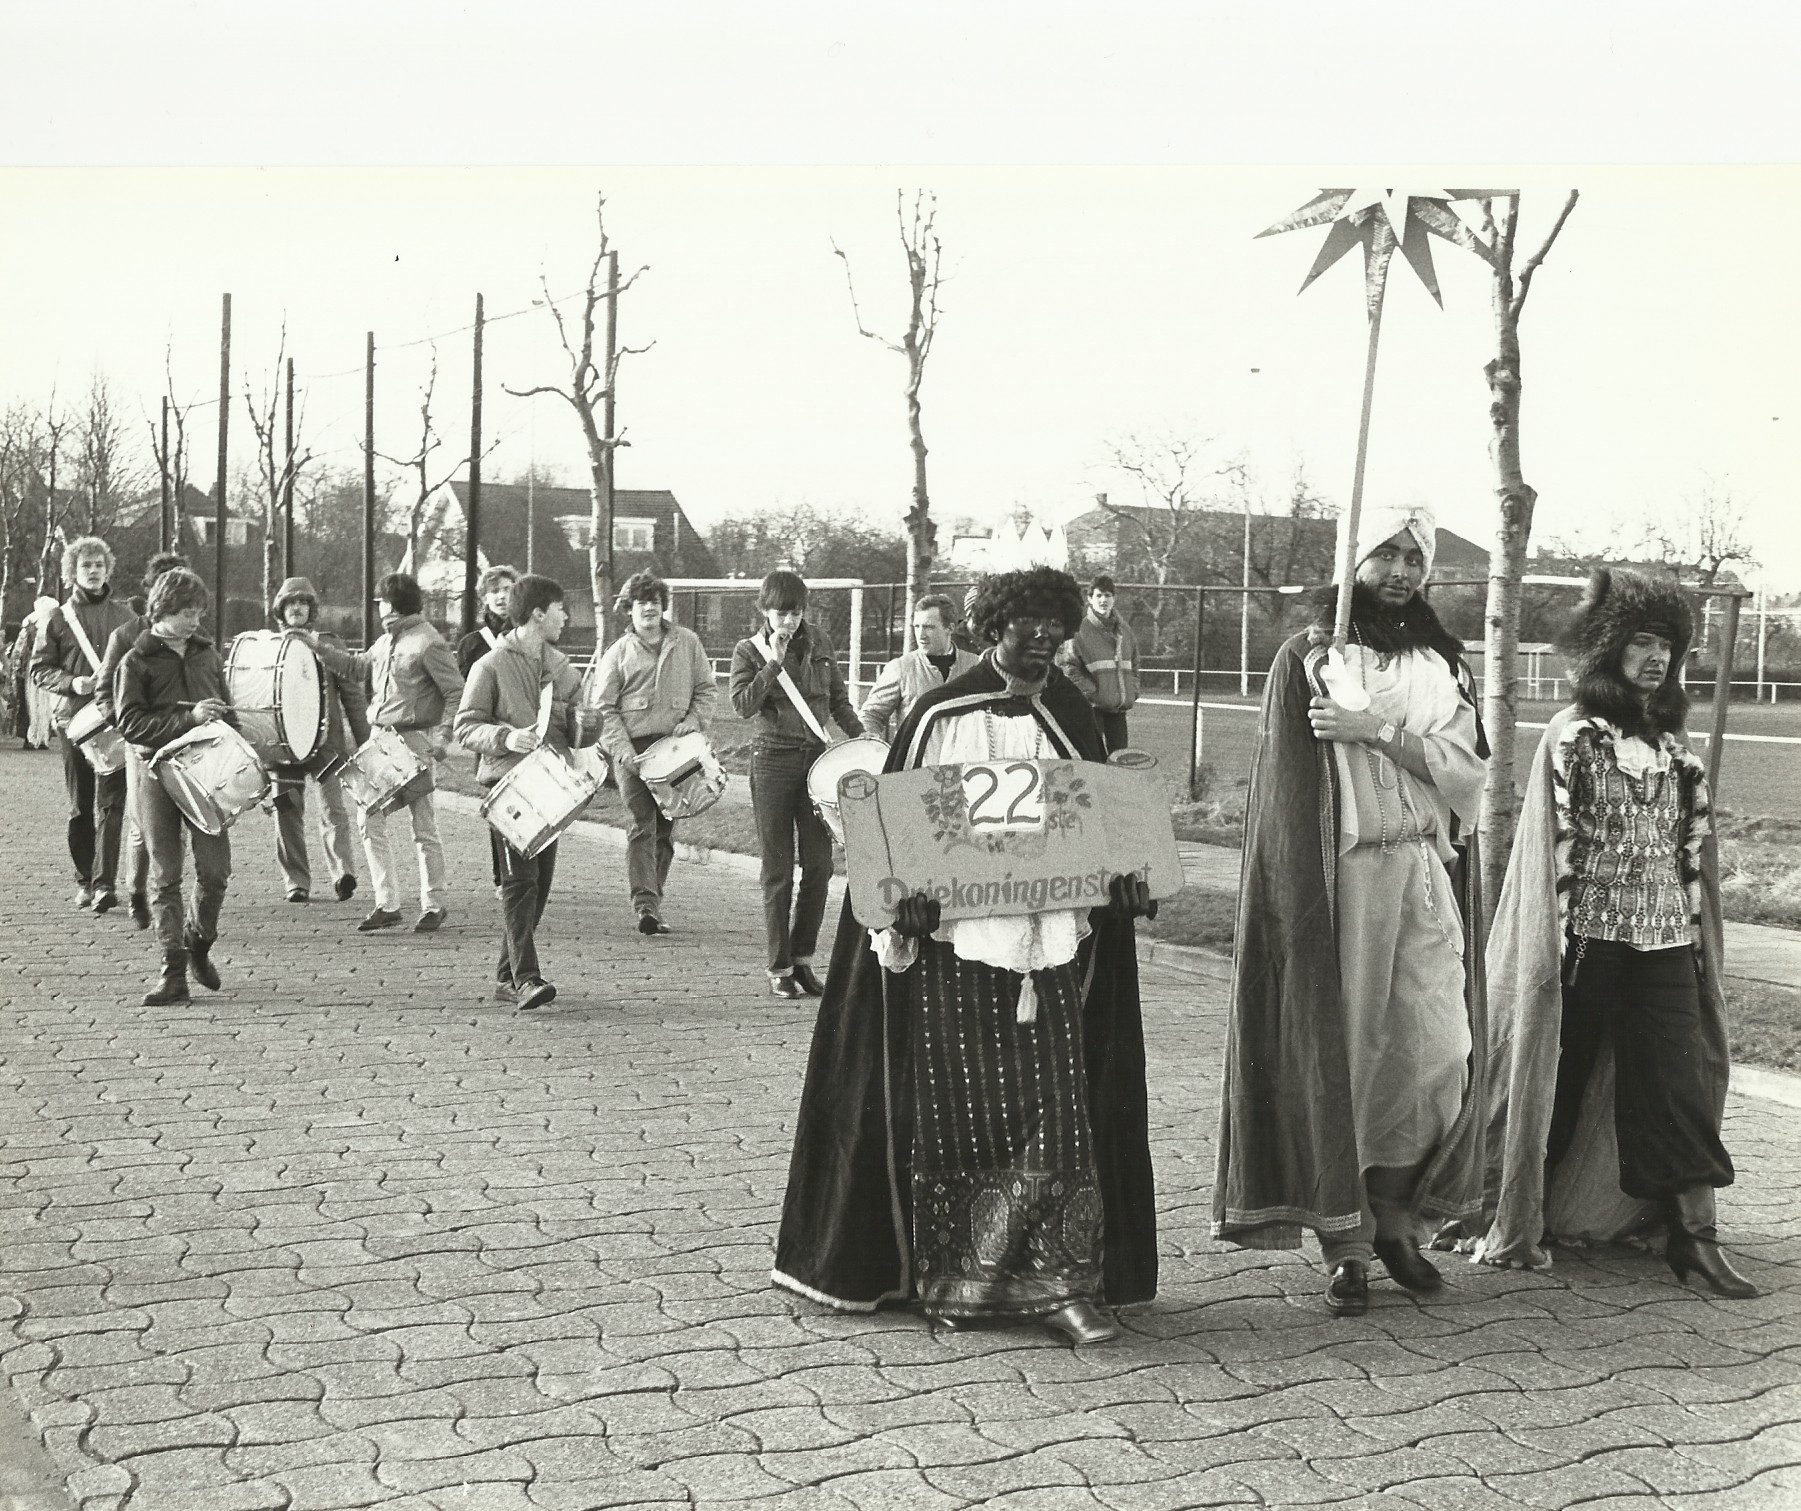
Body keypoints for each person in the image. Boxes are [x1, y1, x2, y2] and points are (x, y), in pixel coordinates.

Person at [772, 566, 1159, 1343]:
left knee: (1056, 1106)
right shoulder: (936, 714)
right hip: (957, 951)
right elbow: (896, 834)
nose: (1044, 645)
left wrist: (1122, 889)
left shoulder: (1069, 711)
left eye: (1055, 632)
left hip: (1045, 944)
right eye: (1030, 632)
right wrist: (903, 904)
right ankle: (959, 1280)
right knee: (959, 1114)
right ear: (992, 632)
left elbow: (1104, 829)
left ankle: (1059, 1285)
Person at [1213, 503, 1490, 1317]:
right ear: (1354, 558)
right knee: (1351, 1055)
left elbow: (1464, 770)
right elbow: (1288, 791)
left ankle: (1397, 1217)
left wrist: (1374, 729)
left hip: (1419, 867)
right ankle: (1349, 1245)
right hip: (1342, 877)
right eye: (1385, 554)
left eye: (1414, 556)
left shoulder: (1443, 664)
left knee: (1437, 1053)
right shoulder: (1310, 656)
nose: (1400, 571)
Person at [1468, 568, 1755, 1297]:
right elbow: (1547, 850)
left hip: (1661, 938)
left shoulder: (1671, 741)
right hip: (1585, 938)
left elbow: (1689, 850)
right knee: (1554, 1075)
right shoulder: (1573, 736)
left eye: (1668, 645)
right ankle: (1517, 1208)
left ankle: (1694, 1237)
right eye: (1642, 642)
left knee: (1674, 1082)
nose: (1656, 658)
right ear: (1608, 649)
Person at [454, 574, 600, 1013]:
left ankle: (506, 975)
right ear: (538, 612)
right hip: (509, 788)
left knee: (539, 887)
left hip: (553, 788)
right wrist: (504, 737)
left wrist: (587, 723)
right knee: (520, 883)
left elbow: (581, 730)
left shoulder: (562, 666)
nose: (566, 617)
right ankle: (528, 979)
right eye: (560, 609)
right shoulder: (491, 665)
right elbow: (465, 727)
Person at [729, 570, 864, 998]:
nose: (789, 621)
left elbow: (837, 699)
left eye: (797, 612)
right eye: (781, 613)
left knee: (820, 866)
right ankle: (779, 965)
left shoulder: (820, 642)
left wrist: (861, 737)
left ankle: (804, 958)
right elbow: (743, 706)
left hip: (817, 762)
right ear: (765, 611)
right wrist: (772, 662)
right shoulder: (747, 650)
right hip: (772, 760)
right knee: (778, 869)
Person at [308, 572, 463, 933]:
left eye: (380, 601)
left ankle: (433, 903)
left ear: (391, 605)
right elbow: (358, 666)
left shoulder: (428, 642)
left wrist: (443, 736)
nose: (378, 608)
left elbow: (455, 691)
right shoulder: (388, 640)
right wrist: (319, 648)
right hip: (382, 741)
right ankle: (387, 903)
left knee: (422, 825)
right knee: (370, 819)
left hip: (414, 741)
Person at [114, 568, 237, 1006]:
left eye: (200, 613)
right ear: (162, 610)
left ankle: (198, 943)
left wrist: (248, 769)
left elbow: (229, 715)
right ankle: (173, 972)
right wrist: (188, 719)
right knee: (166, 876)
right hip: (155, 774)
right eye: (187, 613)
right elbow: (129, 723)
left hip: (207, 778)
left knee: (216, 872)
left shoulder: (208, 655)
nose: (195, 621)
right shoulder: (136, 660)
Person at [592, 570, 719, 934]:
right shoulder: (617, 653)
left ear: (663, 606)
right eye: (641, 602)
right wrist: (622, 750)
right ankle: (644, 904)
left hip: (676, 753)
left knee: (665, 828)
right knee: (640, 825)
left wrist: (693, 721)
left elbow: (707, 690)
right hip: (634, 754)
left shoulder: (688, 643)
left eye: (655, 602)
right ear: (629, 609)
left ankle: (654, 904)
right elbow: (603, 708)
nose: (648, 608)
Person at [32, 536, 137, 911]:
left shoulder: (127, 618)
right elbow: (39, 669)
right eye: (85, 566)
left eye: (98, 565)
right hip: (73, 722)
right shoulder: (58, 619)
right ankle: (84, 879)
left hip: (113, 721)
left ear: (108, 570)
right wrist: (72, 682)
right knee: (80, 805)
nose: (93, 572)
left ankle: (104, 883)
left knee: (112, 803)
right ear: (72, 573)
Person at [95, 551, 189, 929]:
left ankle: (167, 896)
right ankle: (136, 891)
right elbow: (105, 692)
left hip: (183, 744)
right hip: (142, 744)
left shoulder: (193, 637)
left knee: (178, 826)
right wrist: (127, 725)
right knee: (141, 825)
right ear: (151, 593)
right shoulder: (126, 636)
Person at [267, 577, 369, 905]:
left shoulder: (330, 644)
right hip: (283, 747)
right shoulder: (269, 646)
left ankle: (343, 874)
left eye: (303, 602)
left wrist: (365, 743)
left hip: (326, 744)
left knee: (333, 810)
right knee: (286, 810)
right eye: (290, 603)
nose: (296, 608)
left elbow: (353, 697)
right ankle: (296, 881)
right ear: (280, 610)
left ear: (312, 609)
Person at [857, 592, 979, 742]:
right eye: (917, 626)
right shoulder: (900, 668)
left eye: (929, 627)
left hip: (964, 762)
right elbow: (871, 713)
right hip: (916, 763)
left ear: (950, 628)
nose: (921, 635)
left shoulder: (975, 665)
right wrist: (871, 736)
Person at [1057, 574, 1139, 753]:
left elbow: (1134, 663)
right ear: (1090, 599)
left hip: (1118, 710)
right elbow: (1068, 668)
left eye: (1108, 595)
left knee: (1119, 760)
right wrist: (1093, 694)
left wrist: (1132, 690)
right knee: (1092, 757)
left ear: (1114, 599)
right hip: (1092, 709)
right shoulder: (1079, 630)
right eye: (1099, 595)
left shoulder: (1125, 631)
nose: (1104, 600)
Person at [457, 563, 520, 678]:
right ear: (485, 598)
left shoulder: (527, 637)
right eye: (495, 591)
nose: (502, 595)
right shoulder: (471, 644)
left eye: (507, 589)